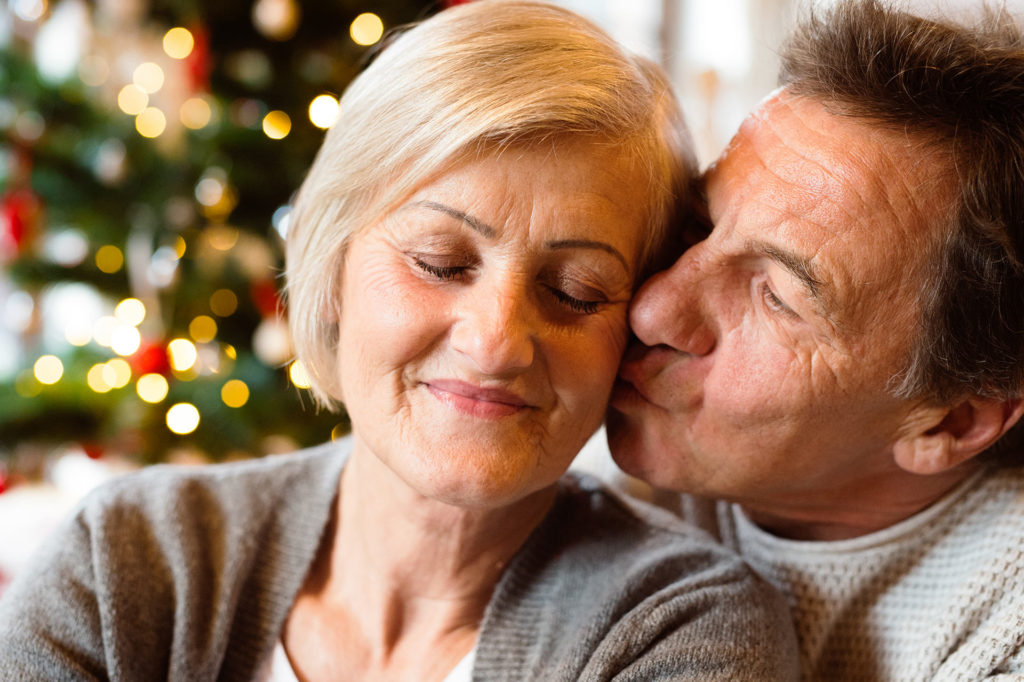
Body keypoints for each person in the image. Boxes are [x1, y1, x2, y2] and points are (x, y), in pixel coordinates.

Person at [0, 2, 799, 680]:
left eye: (574, 292)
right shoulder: (128, 561)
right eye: (439, 262)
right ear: (333, 258)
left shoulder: (681, 628)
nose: (495, 343)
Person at [606, 0, 1024, 679]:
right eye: (697, 225)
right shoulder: (580, 468)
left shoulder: (1003, 631)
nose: (652, 310)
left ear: (952, 420)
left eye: (775, 297)